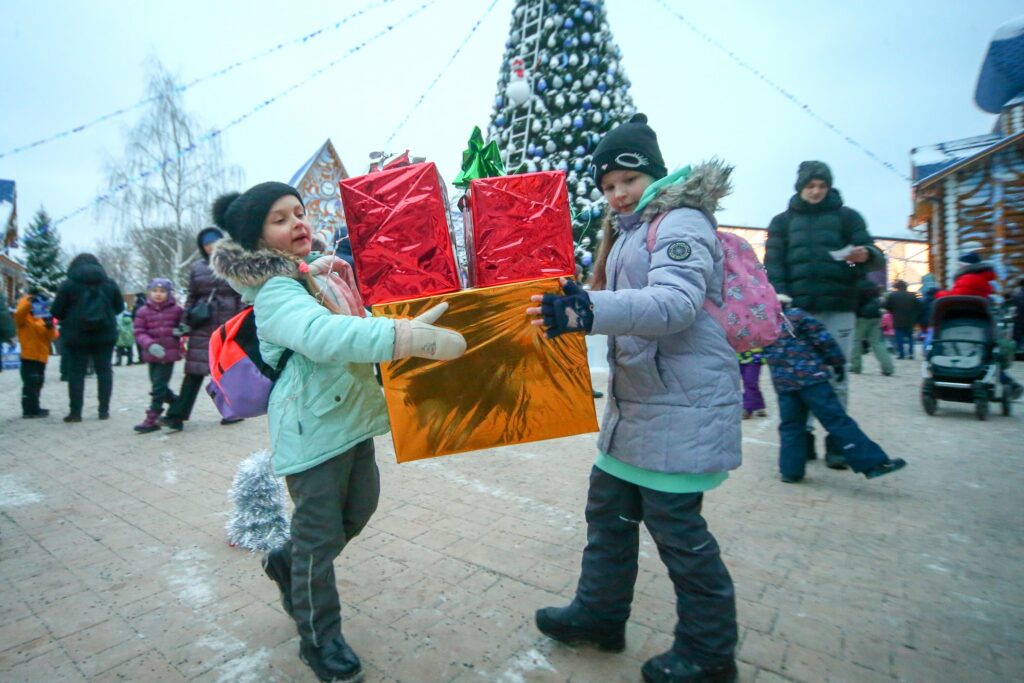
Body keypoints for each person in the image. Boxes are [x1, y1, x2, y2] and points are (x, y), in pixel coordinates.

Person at [209, 181, 466, 682]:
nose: (297, 223)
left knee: (357, 511)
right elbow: (323, 336)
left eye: (299, 212)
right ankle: (319, 639)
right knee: (319, 538)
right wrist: (403, 338)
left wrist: (402, 322)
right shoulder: (276, 291)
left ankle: (289, 564)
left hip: (348, 421)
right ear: (258, 240)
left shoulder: (314, 278)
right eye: (280, 219)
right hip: (311, 433)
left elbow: (353, 321)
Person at [527, 114, 741, 683]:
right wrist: (585, 297)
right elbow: (625, 301)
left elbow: (674, 305)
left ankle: (709, 653)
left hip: (681, 406)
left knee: (679, 535)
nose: (618, 194)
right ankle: (599, 614)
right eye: (607, 187)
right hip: (638, 408)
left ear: (654, 174)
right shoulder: (627, 235)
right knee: (609, 511)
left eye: (628, 179)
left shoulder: (682, 222)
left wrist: (589, 311)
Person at [764, 161, 883, 469]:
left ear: (829, 187)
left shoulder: (848, 217)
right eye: (810, 186)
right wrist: (780, 299)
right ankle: (802, 441)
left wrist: (864, 257)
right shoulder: (782, 222)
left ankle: (838, 444)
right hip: (796, 312)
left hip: (840, 307)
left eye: (822, 186)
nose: (816, 191)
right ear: (800, 188)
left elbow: (871, 256)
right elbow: (774, 265)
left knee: (836, 374)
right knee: (795, 377)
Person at [765, 295, 907, 483]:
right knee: (836, 420)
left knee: (791, 426)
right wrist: (837, 362)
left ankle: (790, 471)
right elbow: (823, 339)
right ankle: (872, 463)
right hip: (812, 378)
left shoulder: (762, 325)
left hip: (784, 383)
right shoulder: (797, 315)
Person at [161, 226, 245, 431]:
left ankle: (232, 412)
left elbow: (242, 293)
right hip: (202, 323)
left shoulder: (234, 263)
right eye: (206, 244)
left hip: (227, 324)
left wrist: (241, 320)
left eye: (214, 243)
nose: (210, 248)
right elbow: (192, 296)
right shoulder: (197, 267)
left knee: (225, 370)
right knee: (194, 371)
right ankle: (177, 415)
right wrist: (185, 319)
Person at [50, 253, 124, 422]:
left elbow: (56, 311)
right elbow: (119, 307)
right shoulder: (109, 284)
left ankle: (76, 412)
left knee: (76, 372)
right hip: (105, 334)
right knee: (104, 371)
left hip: (76, 336)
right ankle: (103, 411)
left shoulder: (68, 284)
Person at [132, 279, 184, 433]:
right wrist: (149, 344)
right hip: (151, 354)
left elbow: (184, 325)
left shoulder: (176, 310)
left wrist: (181, 330)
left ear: (168, 294)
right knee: (158, 385)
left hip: (168, 355)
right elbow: (139, 332)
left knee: (158, 386)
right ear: (149, 292)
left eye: (162, 292)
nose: (158, 294)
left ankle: (152, 416)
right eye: (155, 291)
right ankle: (177, 403)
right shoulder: (143, 311)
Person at [14, 288, 58, 417]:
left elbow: (52, 337)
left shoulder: (42, 318)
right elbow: (19, 313)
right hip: (29, 355)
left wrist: (50, 326)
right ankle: (28, 410)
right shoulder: (24, 319)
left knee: (38, 382)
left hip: (41, 356)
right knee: (30, 382)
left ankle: (35, 407)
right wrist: (29, 300)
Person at [850, 279, 893, 375]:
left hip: (861, 316)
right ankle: (888, 367)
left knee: (856, 341)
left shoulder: (855, 285)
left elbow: (854, 303)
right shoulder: (872, 284)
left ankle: (856, 366)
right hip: (875, 316)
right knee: (877, 343)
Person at [883, 280, 920, 360]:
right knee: (910, 337)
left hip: (898, 319)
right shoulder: (912, 295)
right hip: (910, 320)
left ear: (897, 287)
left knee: (899, 337)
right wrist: (915, 317)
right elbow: (918, 307)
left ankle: (901, 354)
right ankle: (911, 353)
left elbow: (886, 306)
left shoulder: (893, 295)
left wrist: (892, 311)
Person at [738, 349, 767, 418]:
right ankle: (758, 404)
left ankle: (748, 408)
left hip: (754, 357)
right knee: (749, 383)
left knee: (750, 382)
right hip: (736, 357)